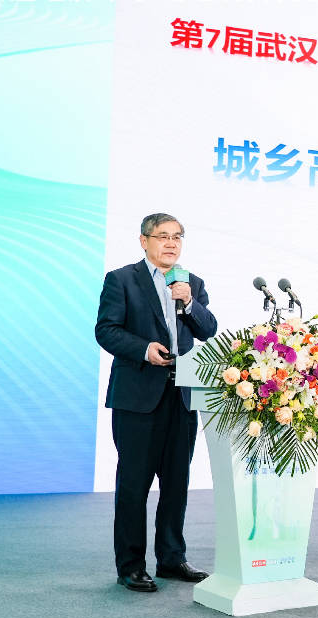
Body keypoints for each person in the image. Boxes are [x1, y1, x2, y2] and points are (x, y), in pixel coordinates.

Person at [95, 213, 218, 592]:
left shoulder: (191, 283)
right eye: (162, 236)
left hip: (181, 396)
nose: (170, 243)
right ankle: (131, 565)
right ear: (144, 240)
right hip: (137, 398)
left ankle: (172, 558)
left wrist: (190, 302)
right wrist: (143, 349)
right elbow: (106, 330)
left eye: (177, 237)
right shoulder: (121, 279)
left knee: (176, 482)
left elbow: (208, 329)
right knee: (134, 484)